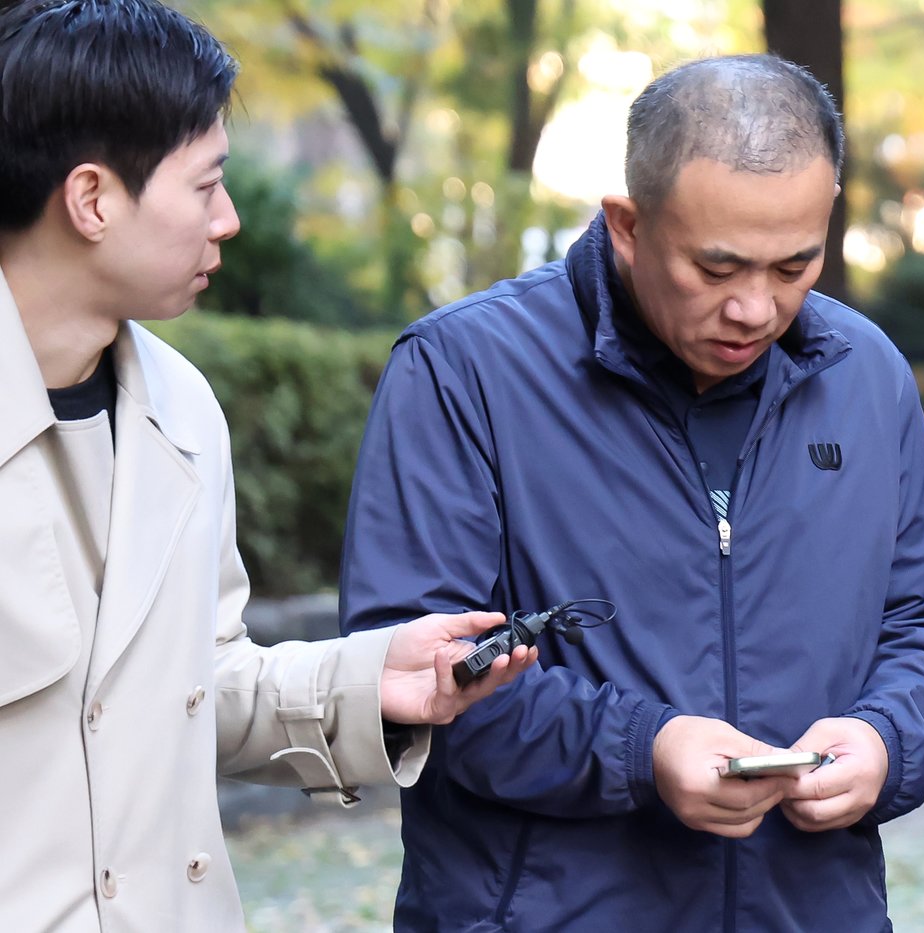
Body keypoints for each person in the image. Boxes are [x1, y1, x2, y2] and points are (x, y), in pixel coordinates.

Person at [339, 54, 924, 931]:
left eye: (796, 264)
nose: (756, 308)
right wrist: (643, 750)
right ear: (628, 225)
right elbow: (408, 668)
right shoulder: (464, 371)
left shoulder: (867, 374)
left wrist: (886, 739)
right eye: (716, 270)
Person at [0, 2, 535, 930]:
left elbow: (195, 685)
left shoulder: (183, 412)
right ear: (91, 199)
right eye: (206, 186)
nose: (231, 219)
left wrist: (373, 685)